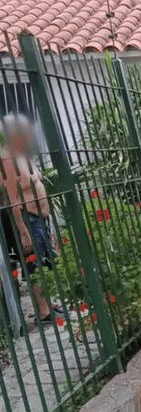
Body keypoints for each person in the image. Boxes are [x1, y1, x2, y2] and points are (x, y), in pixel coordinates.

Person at [0, 113, 58, 324]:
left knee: (44, 261)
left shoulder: (20, 153)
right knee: (35, 265)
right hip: (28, 217)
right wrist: (21, 229)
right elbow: (12, 197)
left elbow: (33, 177)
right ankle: (43, 313)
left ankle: (48, 305)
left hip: (39, 216)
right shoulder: (8, 157)